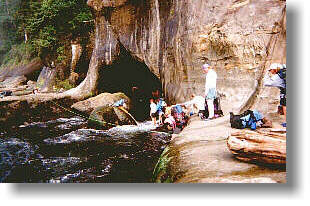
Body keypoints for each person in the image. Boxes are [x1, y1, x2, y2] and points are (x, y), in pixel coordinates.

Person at [264, 63, 286, 127]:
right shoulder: (285, 71)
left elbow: (267, 83)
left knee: (285, 106)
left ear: (275, 70)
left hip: (285, 92)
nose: (270, 72)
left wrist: (267, 75)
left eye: (271, 70)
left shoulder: (278, 77)